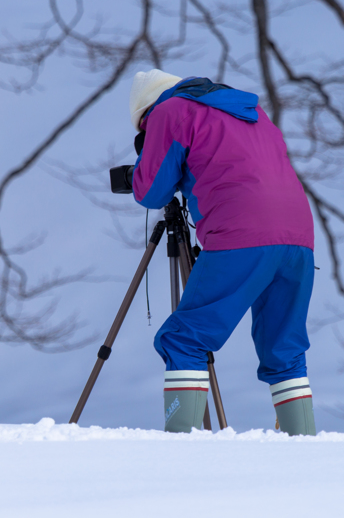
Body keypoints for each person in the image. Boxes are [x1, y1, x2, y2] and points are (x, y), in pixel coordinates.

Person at [129, 69, 317, 436]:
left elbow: (150, 192)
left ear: (146, 112)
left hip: (241, 234)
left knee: (185, 338)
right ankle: (303, 443)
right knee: (284, 346)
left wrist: (147, 157)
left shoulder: (171, 111)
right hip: (298, 238)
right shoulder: (252, 112)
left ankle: (180, 441)